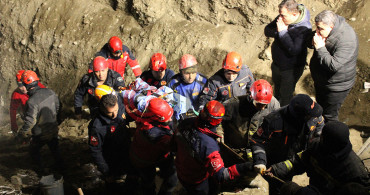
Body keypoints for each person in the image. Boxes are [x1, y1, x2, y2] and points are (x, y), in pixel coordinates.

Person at [265, 121, 370, 194]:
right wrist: (278, 169)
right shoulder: (318, 146)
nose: (320, 137)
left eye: (323, 136)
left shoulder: (356, 174)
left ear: (331, 143)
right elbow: (300, 161)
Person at [174, 100, 255, 195]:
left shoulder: (186, 122)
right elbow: (221, 175)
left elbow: (174, 145)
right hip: (196, 180)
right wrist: (245, 167)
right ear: (218, 121)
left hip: (181, 169)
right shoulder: (209, 145)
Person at [250, 94, 324, 194]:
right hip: (279, 162)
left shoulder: (314, 115)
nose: (315, 116)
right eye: (310, 115)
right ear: (300, 116)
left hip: (303, 157)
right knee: (280, 188)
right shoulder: (273, 121)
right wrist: (260, 160)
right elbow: (257, 141)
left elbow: (320, 130)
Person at [308, 10, 359, 122]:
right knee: (320, 107)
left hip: (336, 87)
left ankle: (329, 135)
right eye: (317, 27)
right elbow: (311, 39)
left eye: (320, 29)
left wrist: (320, 48)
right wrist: (312, 41)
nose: (317, 31)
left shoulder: (347, 40)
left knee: (330, 115)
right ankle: (319, 124)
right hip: (322, 80)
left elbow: (334, 65)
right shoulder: (326, 31)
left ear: (331, 26)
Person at [265, 0, 312, 106]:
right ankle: (275, 107)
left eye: (283, 15)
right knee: (277, 90)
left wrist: (283, 33)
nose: (280, 18)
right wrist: (279, 33)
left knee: (285, 96)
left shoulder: (304, 28)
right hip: (277, 65)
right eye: (280, 14)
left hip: (290, 70)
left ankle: (282, 115)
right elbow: (267, 30)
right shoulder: (283, 18)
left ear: (294, 14)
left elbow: (294, 49)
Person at [16, 70, 63, 173]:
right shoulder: (50, 92)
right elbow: (58, 107)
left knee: (34, 150)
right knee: (55, 148)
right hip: (53, 128)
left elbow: (30, 121)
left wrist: (22, 132)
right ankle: (61, 168)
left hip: (40, 133)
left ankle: (41, 171)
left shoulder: (32, 101)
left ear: (26, 85)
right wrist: (57, 121)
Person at [129, 98, 178, 194]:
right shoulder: (155, 134)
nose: (171, 119)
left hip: (151, 154)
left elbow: (169, 124)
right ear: (159, 119)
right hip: (144, 161)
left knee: (170, 173)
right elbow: (174, 147)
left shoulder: (147, 116)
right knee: (149, 182)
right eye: (169, 118)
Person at [222, 79, 280, 159]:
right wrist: (220, 136)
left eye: (265, 105)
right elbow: (218, 120)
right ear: (251, 97)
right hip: (234, 149)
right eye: (259, 104)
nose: (263, 108)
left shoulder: (274, 105)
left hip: (256, 149)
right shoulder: (234, 104)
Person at [88, 94, 133, 193]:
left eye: (116, 110)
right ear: (102, 110)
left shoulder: (119, 107)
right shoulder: (97, 127)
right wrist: (106, 172)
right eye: (110, 113)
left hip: (126, 153)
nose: (114, 115)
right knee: (114, 188)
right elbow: (95, 151)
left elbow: (127, 116)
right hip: (111, 160)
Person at [10, 70, 45, 134]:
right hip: (28, 114)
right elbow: (13, 109)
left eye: (24, 85)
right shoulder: (16, 94)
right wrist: (14, 125)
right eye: (20, 85)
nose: (23, 88)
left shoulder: (38, 86)